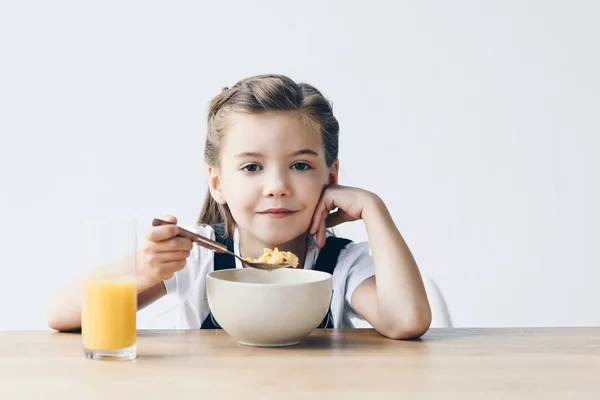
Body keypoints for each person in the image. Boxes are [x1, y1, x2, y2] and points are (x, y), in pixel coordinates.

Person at [47, 74, 431, 339]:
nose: (277, 187)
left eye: (300, 165)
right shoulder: (195, 255)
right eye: (251, 167)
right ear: (218, 183)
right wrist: (146, 268)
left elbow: (406, 322)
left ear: (331, 178)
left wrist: (373, 209)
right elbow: (63, 315)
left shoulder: (341, 262)